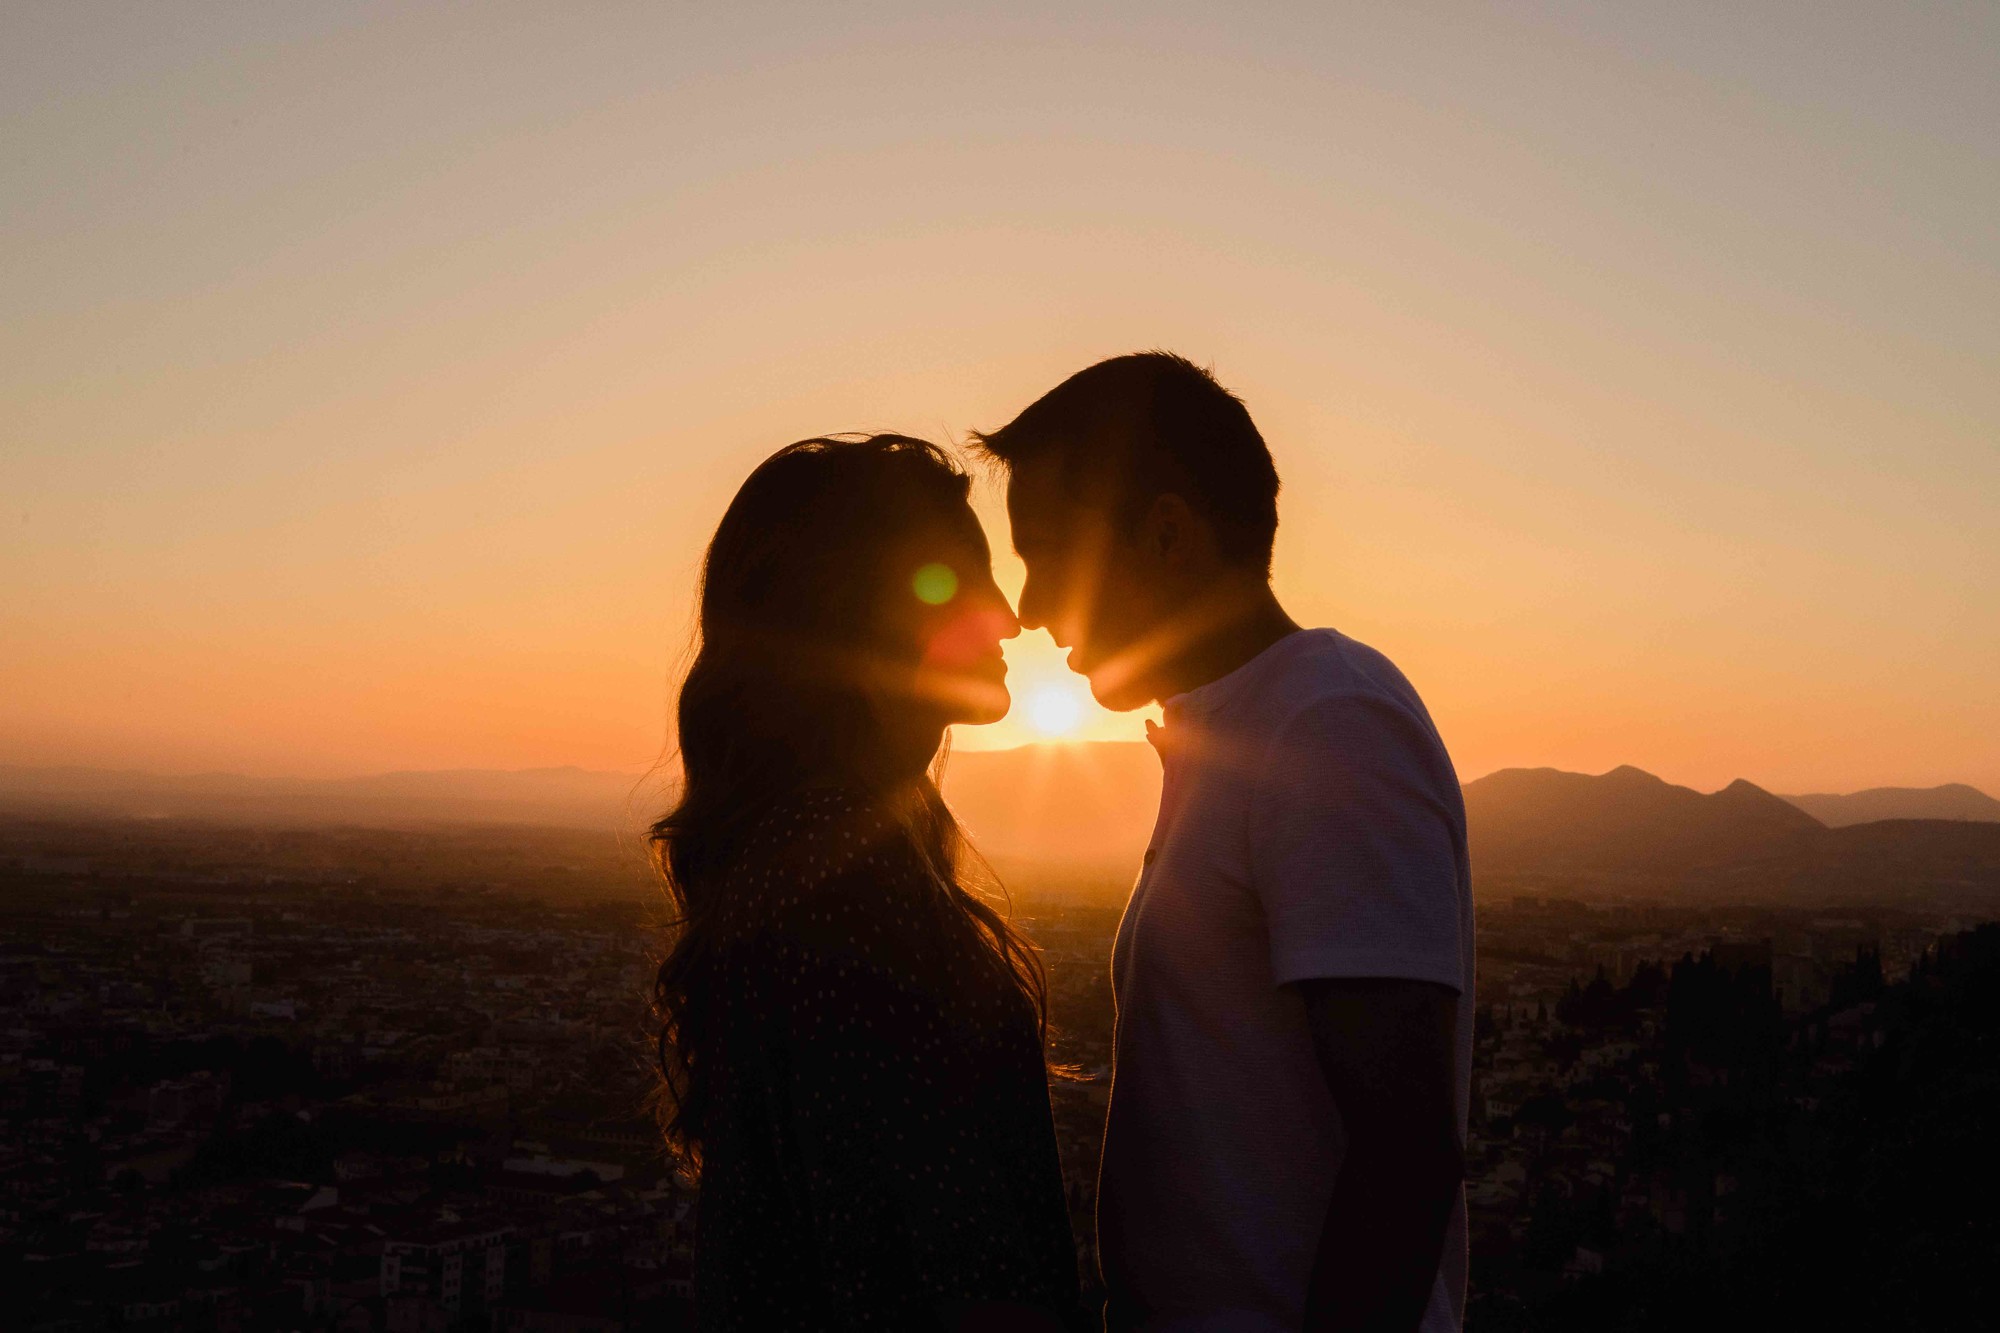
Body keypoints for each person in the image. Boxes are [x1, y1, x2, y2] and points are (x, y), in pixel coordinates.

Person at [974, 354, 1474, 1333]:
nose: (1027, 608)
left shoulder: (1325, 723)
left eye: (1042, 553)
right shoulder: (1239, 735)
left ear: (1165, 532)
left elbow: (1403, 1153)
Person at [650, 435, 1080, 1331]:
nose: (1006, 617)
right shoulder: (846, 885)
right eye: (956, 579)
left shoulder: (819, 855)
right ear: (855, 614)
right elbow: (950, 1273)